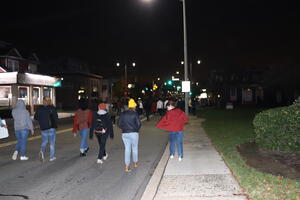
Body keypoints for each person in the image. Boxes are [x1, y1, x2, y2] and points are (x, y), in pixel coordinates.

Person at [117, 98, 141, 172]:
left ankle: (127, 166)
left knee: (127, 149)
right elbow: (139, 124)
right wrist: (136, 129)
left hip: (125, 133)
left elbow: (119, 124)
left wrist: (124, 128)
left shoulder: (123, 113)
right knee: (134, 148)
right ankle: (135, 163)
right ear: (133, 106)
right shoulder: (135, 113)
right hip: (134, 133)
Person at [34, 96, 58, 162]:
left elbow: (35, 117)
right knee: (52, 143)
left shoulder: (39, 108)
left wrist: (42, 119)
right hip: (51, 128)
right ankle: (51, 157)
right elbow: (56, 118)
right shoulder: (52, 108)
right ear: (49, 101)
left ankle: (42, 151)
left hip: (43, 128)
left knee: (44, 141)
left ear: (43, 101)